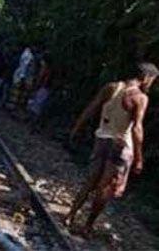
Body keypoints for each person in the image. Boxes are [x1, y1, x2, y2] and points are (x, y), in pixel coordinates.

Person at [65, 62, 158, 235]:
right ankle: (87, 226)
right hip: (120, 146)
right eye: (152, 80)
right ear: (146, 77)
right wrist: (139, 157)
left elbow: (91, 108)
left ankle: (70, 215)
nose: (151, 83)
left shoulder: (112, 87)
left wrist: (76, 128)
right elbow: (137, 128)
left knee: (91, 180)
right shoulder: (140, 97)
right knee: (105, 187)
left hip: (101, 140)